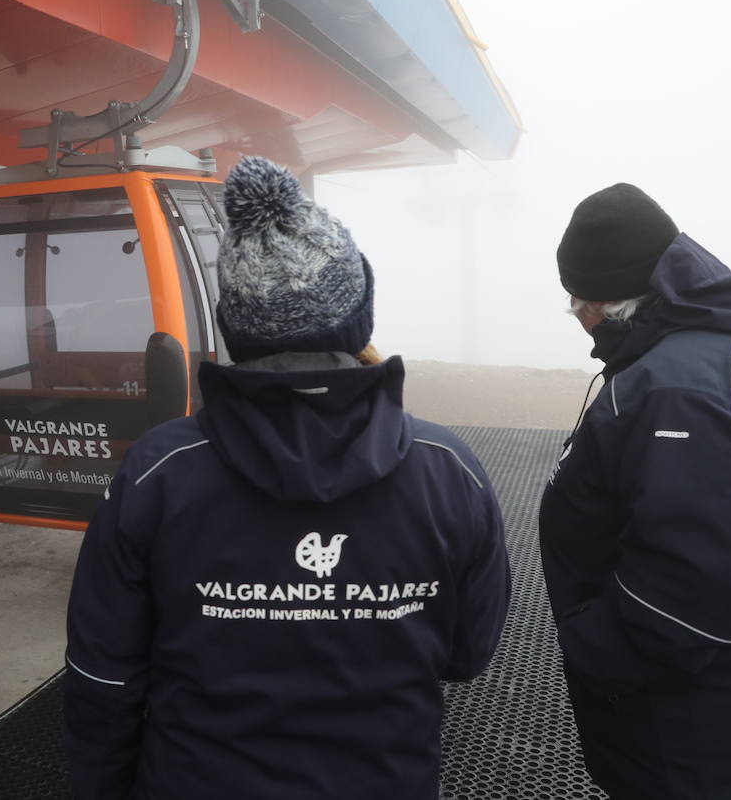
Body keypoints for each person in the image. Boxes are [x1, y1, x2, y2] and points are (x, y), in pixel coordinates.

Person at [62, 156, 510, 799]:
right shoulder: (448, 472)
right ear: (359, 313)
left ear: (238, 328)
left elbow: (104, 675)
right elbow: (468, 655)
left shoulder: (159, 471)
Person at [541, 183, 731, 799]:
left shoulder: (676, 389)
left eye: (577, 301)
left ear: (607, 300)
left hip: (701, 733)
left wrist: (595, 649)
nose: (577, 315)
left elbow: (693, 590)